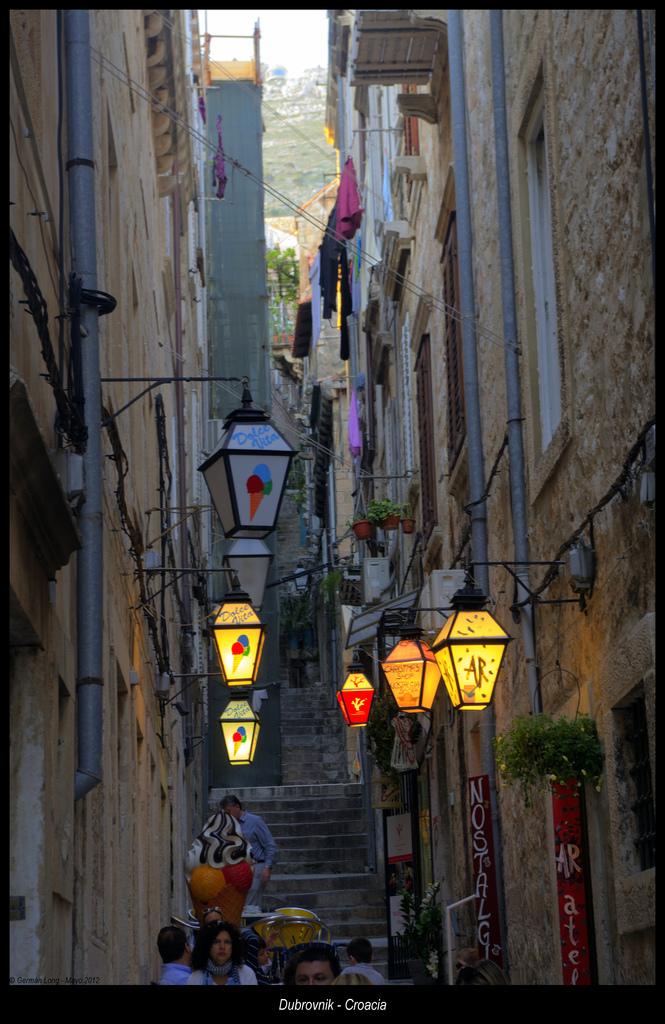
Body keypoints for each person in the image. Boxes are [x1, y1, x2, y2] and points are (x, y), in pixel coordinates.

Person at [221, 794, 278, 914]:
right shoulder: (228, 825)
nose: (227, 815)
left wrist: (267, 868)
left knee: (250, 907)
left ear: (237, 807)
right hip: (237, 869)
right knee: (240, 906)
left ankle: (250, 931)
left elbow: (270, 845)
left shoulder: (255, 821)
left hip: (256, 866)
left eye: (228, 811)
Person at [187, 920, 258, 985]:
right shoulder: (195, 978)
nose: (222, 947)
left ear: (234, 946)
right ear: (207, 946)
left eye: (227, 942)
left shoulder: (247, 974)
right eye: (216, 942)